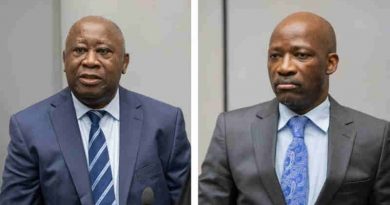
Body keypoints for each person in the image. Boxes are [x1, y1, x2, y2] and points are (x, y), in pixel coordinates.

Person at [199, 12, 390, 205]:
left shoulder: (375, 137)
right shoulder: (232, 130)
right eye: (275, 56)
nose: (284, 67)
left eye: (301, 55)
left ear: (330, 63)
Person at [0, 16, 190, 205]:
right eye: (80, 50)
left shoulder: (165, 122)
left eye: (103, 51)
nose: (90, 61)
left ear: (124, 62)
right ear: (65, 60)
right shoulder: (29, 128)